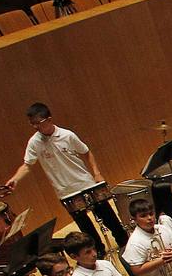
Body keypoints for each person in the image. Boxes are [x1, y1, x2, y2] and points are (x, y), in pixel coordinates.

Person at [7, 102, 128, 252]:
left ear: (49, 119)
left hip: (85, 183)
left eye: (39, 123)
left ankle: (124, 242)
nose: (36, 127)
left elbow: (87, 152)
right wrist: (15, 179)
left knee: (108, 216)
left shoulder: (67, 135)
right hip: (65, 191)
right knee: (85, 227)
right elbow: (27, 165)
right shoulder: (34, 142)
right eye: (33, 124)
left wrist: (97, 173)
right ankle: (97, 252)